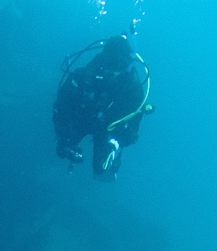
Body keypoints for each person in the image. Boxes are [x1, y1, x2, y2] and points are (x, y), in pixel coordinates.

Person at [53, 32, 152, 181]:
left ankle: (109, 166)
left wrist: (118, 142)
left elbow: (133, 125)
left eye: (117, 64)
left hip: (108, 127)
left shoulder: (131, 87)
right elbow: (60, 106)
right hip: (82, 119)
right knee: (61, 149)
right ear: (102, 58)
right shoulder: (83, 76)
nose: (111, 70)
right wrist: (63, 137)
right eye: (109, 61)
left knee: (100, 170)